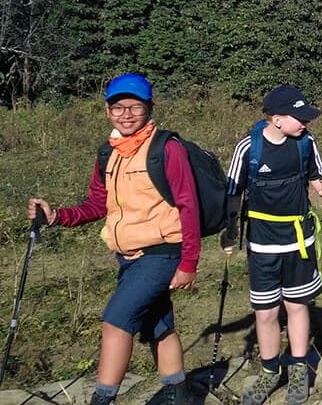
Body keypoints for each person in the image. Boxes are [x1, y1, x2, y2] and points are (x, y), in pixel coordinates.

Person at [28, 73, 199, 405]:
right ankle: (179, 394)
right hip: (129, 257)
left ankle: (102, 399)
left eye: (135, 106)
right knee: (158, 325)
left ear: (149, 108)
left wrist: (189, 262)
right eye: (118, 107)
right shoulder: (109, 152)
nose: (126, 114)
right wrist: (57, 216)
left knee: (115, 321)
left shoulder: (167, 148)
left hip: (162, 253)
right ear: (107, 110)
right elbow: (96, 204)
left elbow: (187, 205)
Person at [222, 85, 322, 405]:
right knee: (265, 313)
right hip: (262, 244)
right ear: (276, 119)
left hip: (299, 239)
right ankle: (270, 372)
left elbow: (317, 176)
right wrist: (230, 231)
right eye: (299, 117)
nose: (305, 122)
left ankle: (300, 368)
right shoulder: (248, 147)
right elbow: (234, 192)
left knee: (297, 306)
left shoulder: (306, 142)